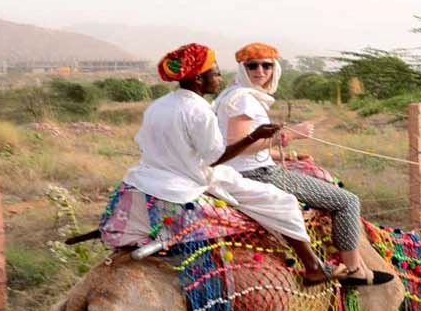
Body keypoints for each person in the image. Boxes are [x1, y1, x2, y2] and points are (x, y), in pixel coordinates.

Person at [121, 43, 344, 283]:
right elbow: (215, 157)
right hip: (188, 181)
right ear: (198, 78)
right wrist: (255, 136)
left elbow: (144, 144)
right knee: (284, 202)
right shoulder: (199, 109)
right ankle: (313, 266)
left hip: (146, 177)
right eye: (215, 73)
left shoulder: (159, 105)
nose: (219, 78)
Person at [213, 42, 371, 277]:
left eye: (266, 66)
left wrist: (285, 155)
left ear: (274, 69)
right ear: (242, 69)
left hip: (243, 169)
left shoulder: (233, 95)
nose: (260, 72)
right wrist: (290, 135)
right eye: (252, 66)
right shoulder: (244, 99)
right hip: (257, 175)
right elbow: (238, 145)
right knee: (347, 201)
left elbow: (243, 147)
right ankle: (354, 270)